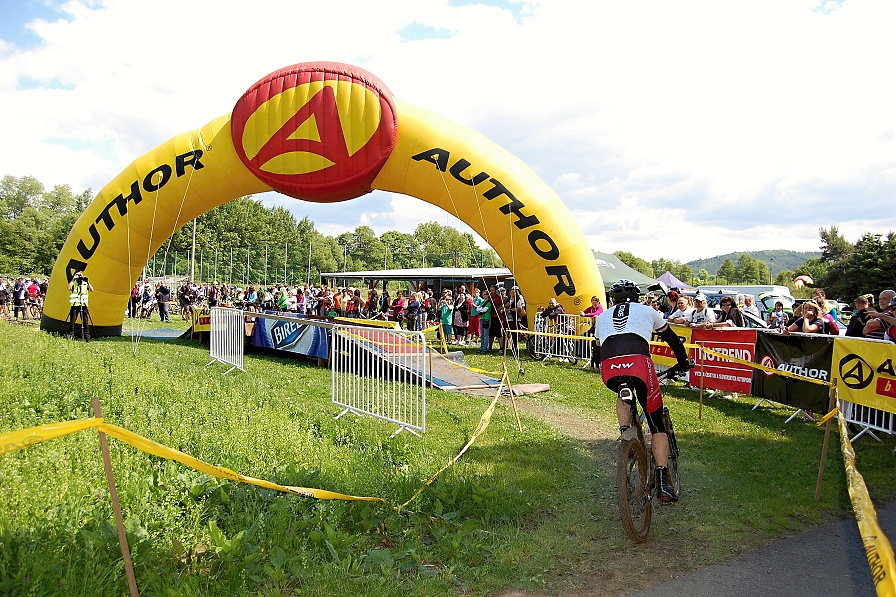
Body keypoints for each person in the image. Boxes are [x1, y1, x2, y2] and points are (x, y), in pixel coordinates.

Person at [596, 280, 690, 503]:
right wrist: (683, 362)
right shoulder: (649, 311)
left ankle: (625, 433)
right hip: (639, 364)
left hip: (609, 367)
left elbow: (597, 349)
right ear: (637, 297)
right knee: (656, 424)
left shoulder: (602, 316)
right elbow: (673, 340)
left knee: (623, 389)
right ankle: (663, 483)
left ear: (614, 299)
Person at [67, 272, 95, 339]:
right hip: (75, 305)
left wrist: (87, 282)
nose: (79, 276)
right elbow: (69, 288)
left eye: (80, 275)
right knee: (72, 322)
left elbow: (92, 290)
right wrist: (73, 279)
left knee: (85, 322)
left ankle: (87, 337)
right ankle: (70, 336)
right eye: (78, 275)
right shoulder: (74, 283)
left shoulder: (85, 283)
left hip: (83, 305)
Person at [476, 289, 493, 353]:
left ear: (488, 295)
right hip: (481, 319)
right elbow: (477, 309)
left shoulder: (489, 302)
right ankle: (482, 347)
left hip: (487, 319)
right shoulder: (482, 302)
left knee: (486, 334)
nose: (484, 295)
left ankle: (485, 348)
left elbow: (484, 310)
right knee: (482, 334)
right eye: (483, 294)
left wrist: (480, 309)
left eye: (486, 294)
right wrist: (480, 309)